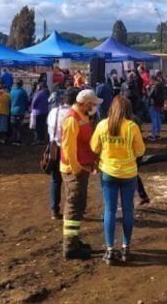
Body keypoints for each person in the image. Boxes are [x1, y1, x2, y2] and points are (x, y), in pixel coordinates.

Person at [91, 96, 146, 265]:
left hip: (108, 172)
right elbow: (140, 151)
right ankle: (125, 247)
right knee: (128, 210)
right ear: (127, 110)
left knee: (109, 210)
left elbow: (94, 147)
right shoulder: (132, 127)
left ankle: (109, 250)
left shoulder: (102, 125)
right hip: (129, 173)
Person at [60, 89, 101, 260]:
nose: (94, 107)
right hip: (75, 170)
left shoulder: (81, 117)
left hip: (81, 168)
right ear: (86, 103)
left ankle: (74, 241)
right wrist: (76, 168)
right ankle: (70, 247)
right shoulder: (72, 119)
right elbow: (68, 148)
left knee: (77, 206)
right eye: (92, 104)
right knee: (74, 207)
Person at [47, 88, 78, 219]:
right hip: (68, 149)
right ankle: (69, 209)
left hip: (54, 148)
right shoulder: (73, 115)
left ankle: (54, 209)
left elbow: (48, 127)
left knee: (55, 180)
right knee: (70, 181)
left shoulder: (54, 111)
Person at [9, 79, 30, 146]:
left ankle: (13, 140)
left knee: (13, 126)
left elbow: (9, 101)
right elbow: (27, 102)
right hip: (20, 111)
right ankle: (18, 140)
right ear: (21, 84)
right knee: (19, 127)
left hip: (12, 111)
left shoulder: (11, 92)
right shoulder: (23, 92)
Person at [147, 76, 167, 140]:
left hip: (153, 104)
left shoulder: (154, 86)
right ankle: (158, 134)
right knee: (158, 119)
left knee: (154, 120)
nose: (150, 82)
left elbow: (149, 95)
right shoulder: (161, 86)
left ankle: (153, 135)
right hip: (159, 104)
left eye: (151, 81)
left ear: (153, 80)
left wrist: (147, 88)